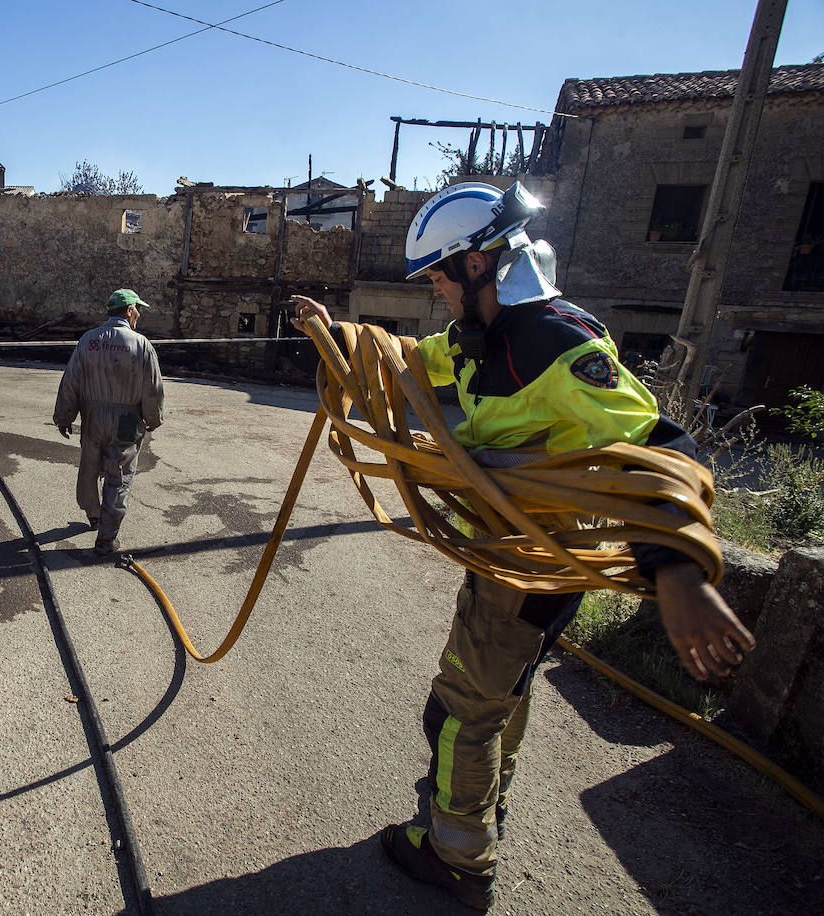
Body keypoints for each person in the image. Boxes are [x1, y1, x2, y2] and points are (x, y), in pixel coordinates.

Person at [290, 181, 754, 911]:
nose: (435, 289)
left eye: (440, 273)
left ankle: (455, 854)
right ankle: (479, 815)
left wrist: (679, 571)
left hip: (532, 568)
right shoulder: (488, 334)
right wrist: (342, 334)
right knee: (503, 694)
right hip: (512, 558)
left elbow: (660, 444)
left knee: (460, 709)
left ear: (481, 264)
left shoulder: (553, 339)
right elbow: (418, 359)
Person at [53, 288, 165, 557]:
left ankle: (93, 514)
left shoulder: (88, 341)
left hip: (92, 418)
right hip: (126, 420)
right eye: (137, 309)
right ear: (128, 311)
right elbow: (153, 388)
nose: (139, 314)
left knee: (89, 469)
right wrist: (153, 418)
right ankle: (106, 538)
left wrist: (65, 416)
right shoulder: (141, 344)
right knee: (119, 477)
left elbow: (72, 380)